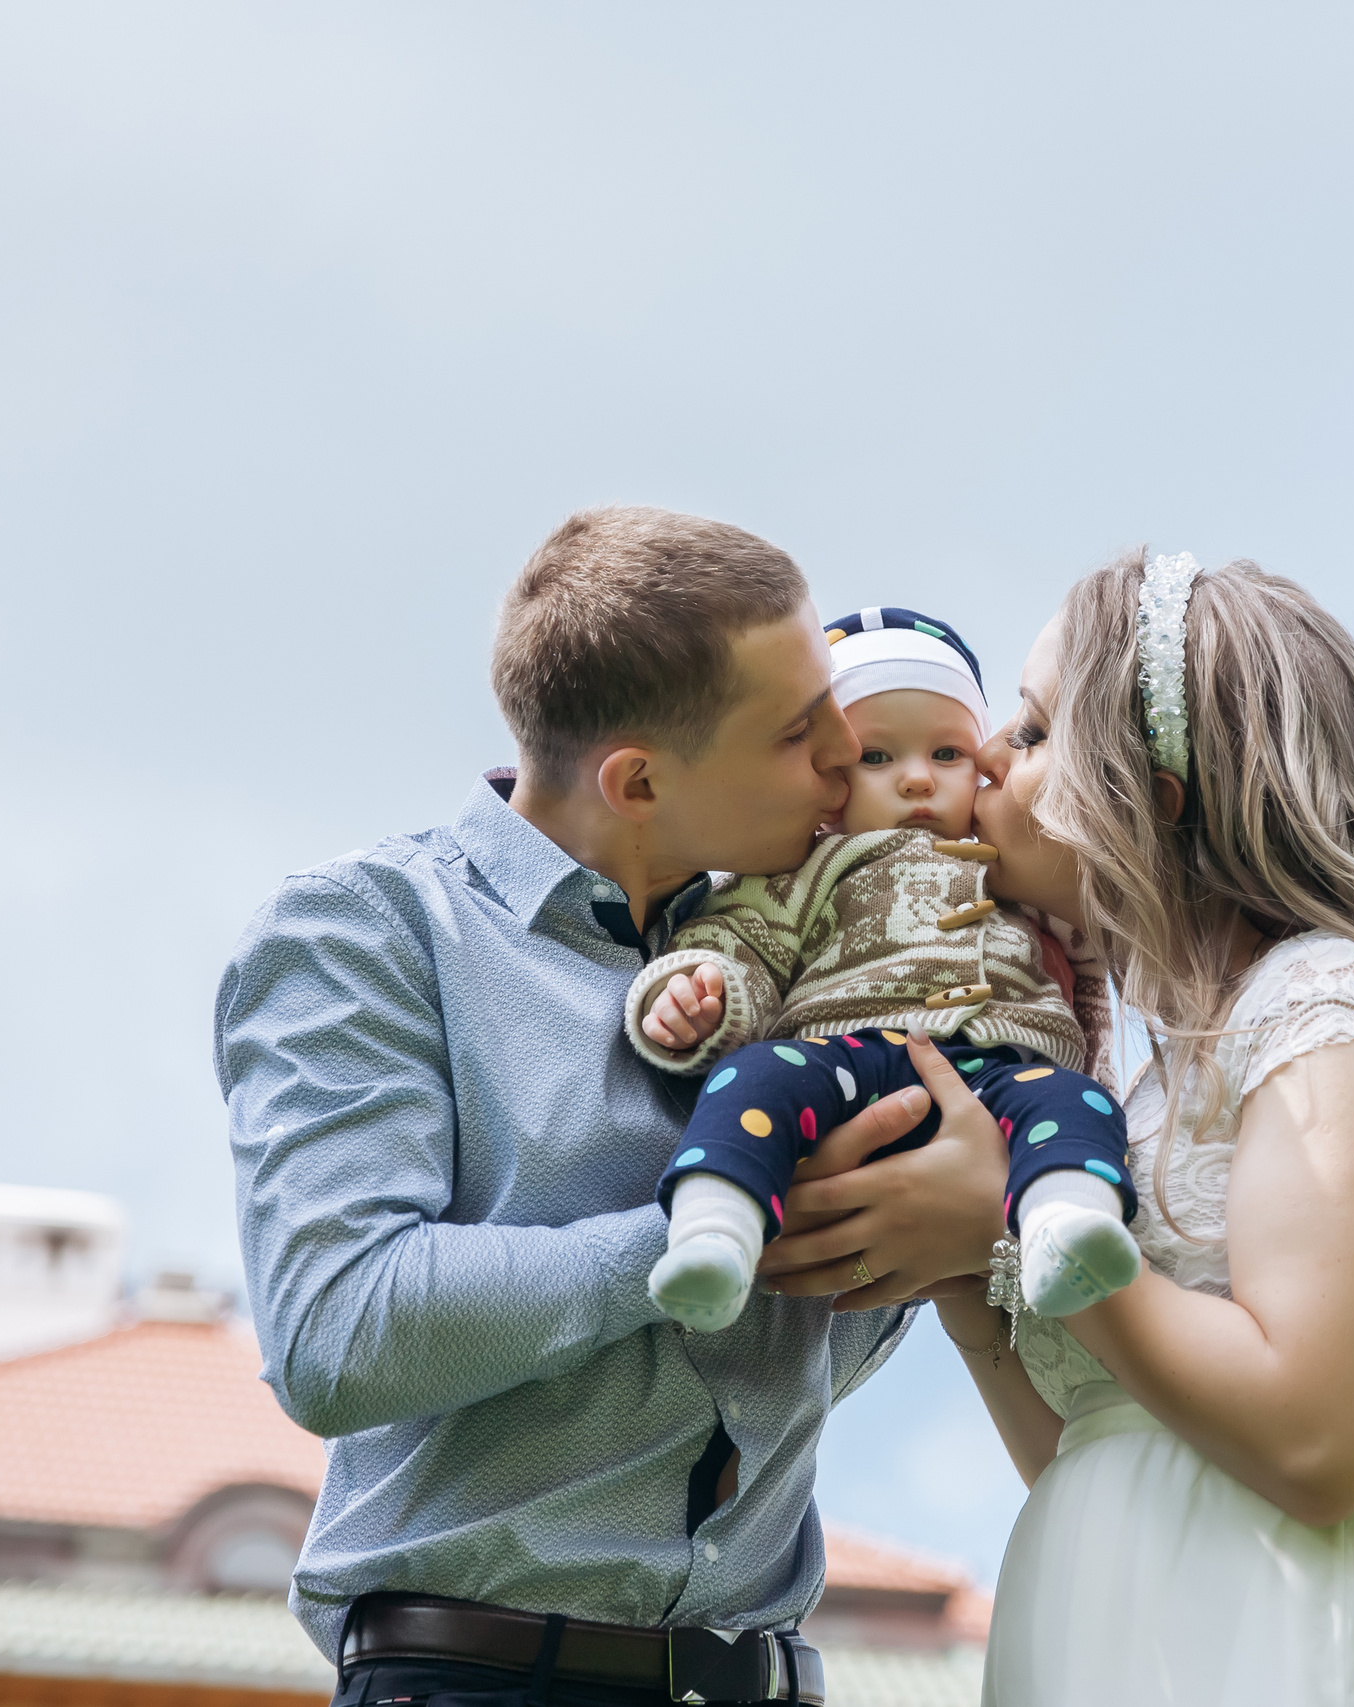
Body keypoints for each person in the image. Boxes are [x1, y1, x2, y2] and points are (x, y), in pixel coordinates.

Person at [764, 550, 1354, 1704]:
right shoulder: (1151, 1084)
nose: (988, 757)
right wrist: (969, 1281)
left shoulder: (1330, 1007)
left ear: (1154, 798)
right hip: (1116, 1628)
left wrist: (1003, 1234)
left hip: (1296, 1634)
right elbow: (1092, 1445)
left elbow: (1317, 1443)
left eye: (1037, 727)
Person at [215, 508, 998, 1707]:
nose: (851, 759)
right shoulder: (369, 932)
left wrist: (935, 1225)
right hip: (481, 1680)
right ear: (637, 780)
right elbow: (337, 1333)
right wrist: (705, 1229)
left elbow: (789, 1359)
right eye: (802, 734)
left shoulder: (802, 948)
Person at [628, 607, 1138, 1335]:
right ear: (830, 779)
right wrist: (698, 998)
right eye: (877, 758)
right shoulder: (812, 867)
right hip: (848, 1058)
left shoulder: (1015, 869)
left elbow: (1088, 989)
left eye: (947, 754)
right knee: (755, 1077)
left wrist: (1094, 1076)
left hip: (1002, 1072)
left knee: (1079, 1105)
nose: (916, 781)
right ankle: (714, 1233)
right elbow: (736, 940)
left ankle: (1065, 1229)